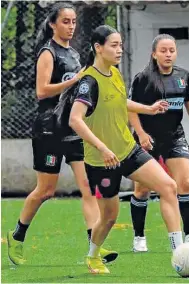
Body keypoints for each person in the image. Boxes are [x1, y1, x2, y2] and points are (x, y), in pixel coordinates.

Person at [7, 2, 117, 265]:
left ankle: (94, 248)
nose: (71, 26)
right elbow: (41, 91)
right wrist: (73, 80)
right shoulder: (48, 52)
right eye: (65, 21)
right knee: (45, 191)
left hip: (73, 129)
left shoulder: (75, 55)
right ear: (53, 24)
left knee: (88, 189)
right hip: (49, 129)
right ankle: (17, 236)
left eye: (74, 21)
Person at [69, 25, 184, 274]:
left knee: (168, 186)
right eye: (114, 45)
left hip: (129, 150)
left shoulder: (115, 73)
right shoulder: (89, 81)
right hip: (102, 161)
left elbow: (122, 102)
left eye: (121, 44)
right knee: (109, 218)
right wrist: (101, 148)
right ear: (98, 48)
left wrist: (149, 108)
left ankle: (180, 253)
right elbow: (75, 119)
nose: (120, 50)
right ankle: (92, 255)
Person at [128, 33, 189, 253]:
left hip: (175, 136)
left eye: (171, 50)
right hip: (148, 139)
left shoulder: (184, 76)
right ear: (154, 54)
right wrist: (141, 134)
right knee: (142, 189)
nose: (168, 54)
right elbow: (131, 108)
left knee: (186, 184)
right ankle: (139, 237)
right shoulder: (143, 78)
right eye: (163, 50)